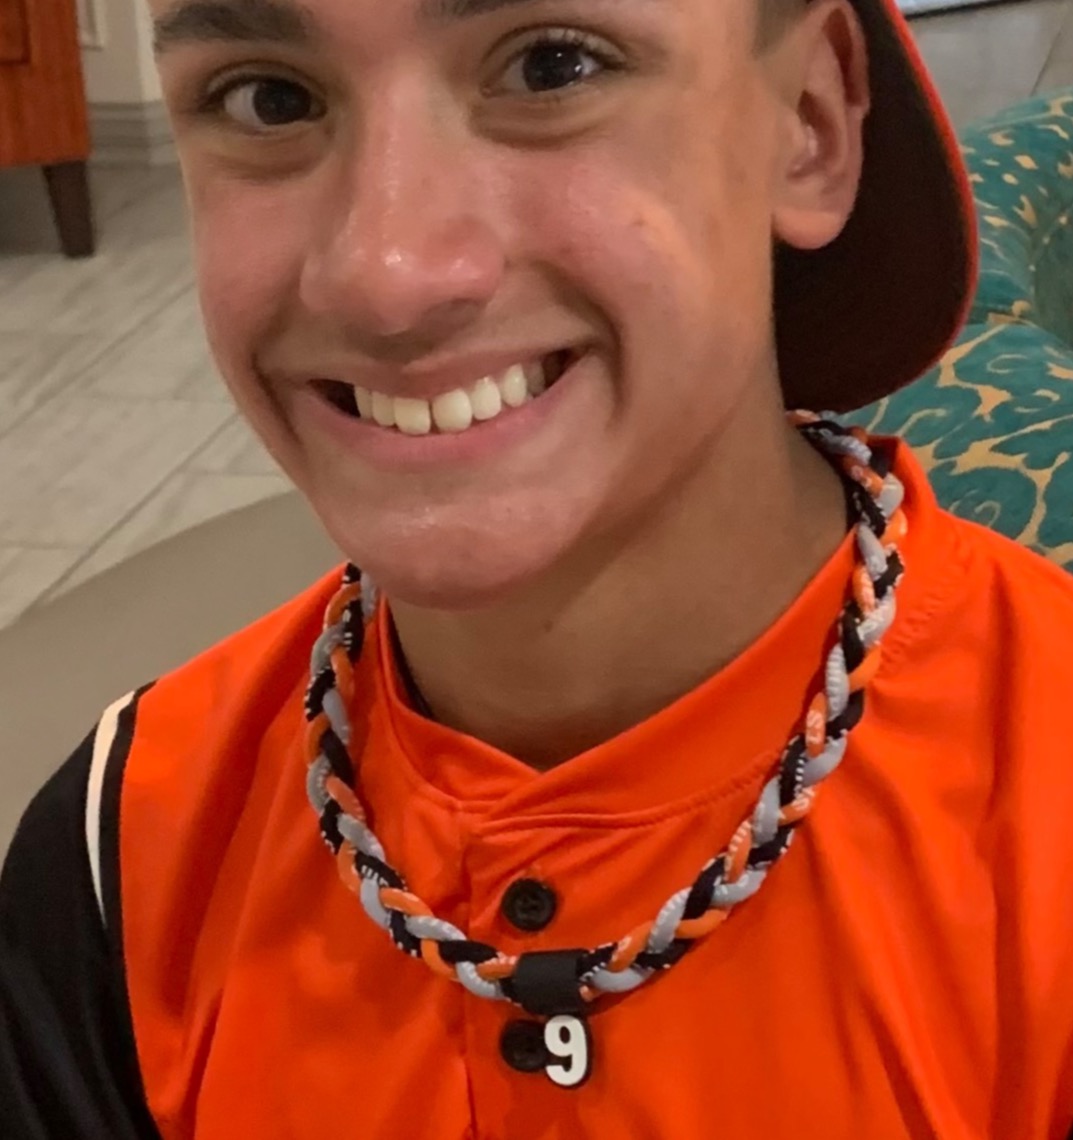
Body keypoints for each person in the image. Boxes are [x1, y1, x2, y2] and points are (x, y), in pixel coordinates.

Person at [3, 0, 1073, 1135]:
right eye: (269, 99)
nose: (385, 275)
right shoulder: (125, 855)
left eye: (552, 67)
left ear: (806, 121)